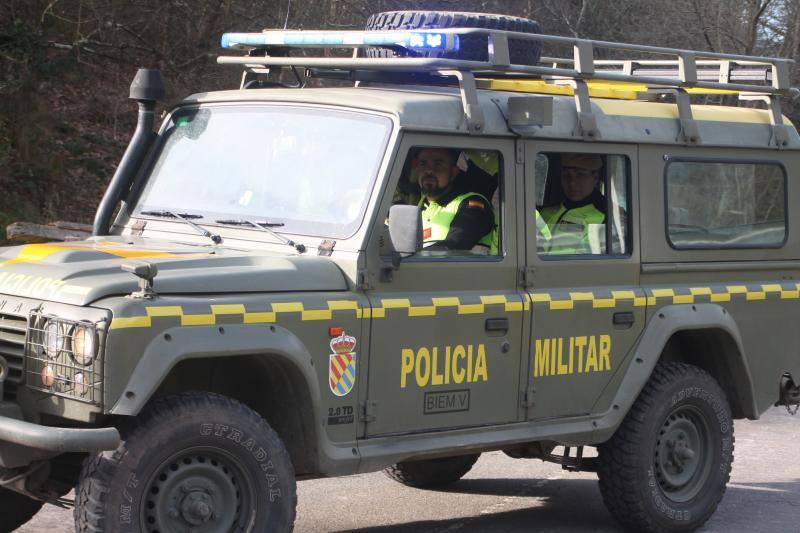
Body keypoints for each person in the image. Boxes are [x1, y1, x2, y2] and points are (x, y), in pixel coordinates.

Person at [412, 147, 497, 253]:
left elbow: (454, 246)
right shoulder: (417, 210)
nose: (429, 170)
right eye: (423, 164)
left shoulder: (473, 205)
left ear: (454, 172)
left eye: (437, 164)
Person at [541, 153, 606, 254]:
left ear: (595, 177)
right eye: (566, 175)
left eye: (580, 175)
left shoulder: (607, 215)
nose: (572, 183)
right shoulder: (547, 212)